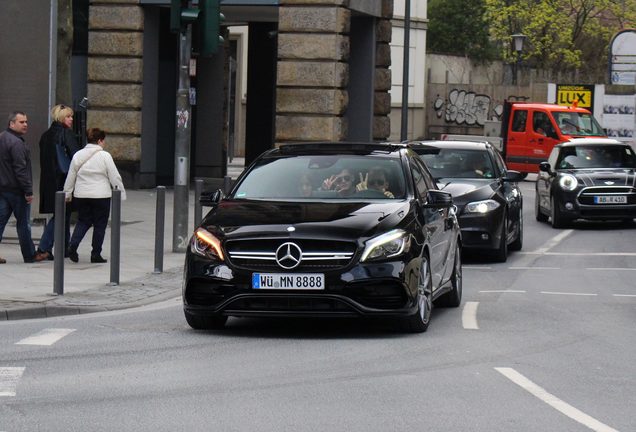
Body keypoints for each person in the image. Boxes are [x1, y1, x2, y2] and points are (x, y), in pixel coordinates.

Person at [63, 128, 126, 263]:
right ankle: (95, 254)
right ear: (99, 140)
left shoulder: (78, 155)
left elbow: (71, 176)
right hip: (101, 195)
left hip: (81, 194)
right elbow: (114, 176)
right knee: (100, 224)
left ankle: (73, 245)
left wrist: (67, 193)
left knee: (83, 221)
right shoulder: (105, 156)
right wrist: (121, 193)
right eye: (103, 141)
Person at [36, 104, 82, 260]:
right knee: (61, 215)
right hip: (64, 180)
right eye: (68, 116)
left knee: (63, 215)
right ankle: (44, 246)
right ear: (61, 117)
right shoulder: (66, 134)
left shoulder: (46, 135)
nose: (71, 119)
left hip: (49, 181)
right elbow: (76, 157)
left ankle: (63, 248)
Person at [0, 112, 47, 263]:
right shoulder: (16, 143)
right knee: (24, 224)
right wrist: (28, 191)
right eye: (21, 122)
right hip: (17, 191)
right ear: (11, 124)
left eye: (26, 121)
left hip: (4, 188)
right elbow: (20, 169)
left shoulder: (2, 138)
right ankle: (30, 255)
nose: (25, 124)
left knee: (1, 221)